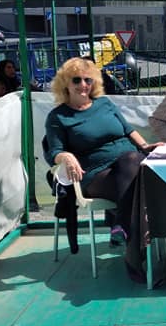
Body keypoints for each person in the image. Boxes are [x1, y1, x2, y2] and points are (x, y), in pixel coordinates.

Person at [44, 57, 159, 248]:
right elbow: (53, 152)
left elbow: (128, 130)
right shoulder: (58, 117)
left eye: (88, 80)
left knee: (134, 164)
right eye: (76, 80)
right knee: (138, 173)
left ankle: (124, 231)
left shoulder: (105, 103)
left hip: (128, 165)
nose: (83, 85)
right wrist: (66, 156)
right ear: (65, 83)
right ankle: (131, 233)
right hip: (95, 173)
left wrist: (146, 146)